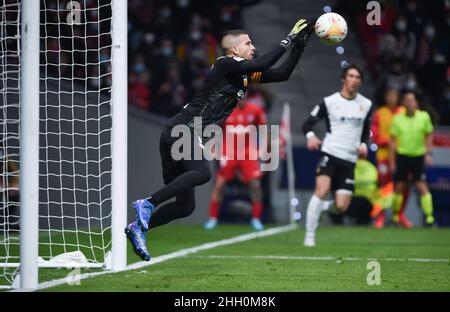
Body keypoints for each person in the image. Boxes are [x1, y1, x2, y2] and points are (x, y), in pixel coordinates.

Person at [125, 19, 316, 261]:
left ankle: (138, 228)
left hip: (182, 133)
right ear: (235, 49)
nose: (253, 46)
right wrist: (289, 37)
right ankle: (148, 203)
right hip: (182, 129)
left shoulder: (243, 74)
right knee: (204, 173)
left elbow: (281, 73)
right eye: (248, 43)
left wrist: (300, 45)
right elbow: (265, 62)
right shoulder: (226, 64)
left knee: (186, 207)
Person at [302, 64, 373, 247]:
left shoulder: (366, 105)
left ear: (361, 81)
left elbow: (366, 131)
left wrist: (364, 144)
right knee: (321, 191)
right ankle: (310, 236)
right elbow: (307, 124)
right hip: (330, 153)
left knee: (341, 207)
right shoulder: (329, 102)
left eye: (358, 77)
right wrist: (311, 137)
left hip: (350, 160)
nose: (354, 80)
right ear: (344, 78)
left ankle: (323, 207)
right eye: (351, 76)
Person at [203, 98, 267, 231]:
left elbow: (263, 129)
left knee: (255, 185)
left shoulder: (255, 110)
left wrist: (263, 148)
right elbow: (217, 129)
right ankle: (213, 219)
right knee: (219, 184)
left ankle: (256, 219)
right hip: (229, 152)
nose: (242, 98)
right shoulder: (226, 109)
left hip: (248, 153)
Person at [389, 91, 435, 226]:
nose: (410, 103)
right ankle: (396, 216)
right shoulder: (397, 118)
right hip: (402, 156)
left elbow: (429, 134)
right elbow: (392, 141)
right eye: (407, 100)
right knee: (399, 186)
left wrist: (429, 153)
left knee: (421, 185)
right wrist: (392, 161)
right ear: (403, 103)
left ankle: (429, 217)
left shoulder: (424, 117)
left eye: (412, 100)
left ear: (416, 103)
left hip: (418, 156)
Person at [370, 88, 412, 228]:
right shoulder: (379, 113)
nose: (391, 98)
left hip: (402, 155)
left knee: (404, 185)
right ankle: (380, 216)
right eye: (389, 95)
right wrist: (388, 142)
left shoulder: (403, 112)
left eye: (394, 95)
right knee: (383, 186)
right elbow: (374, 135)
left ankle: (399, 214)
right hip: (383, 155)